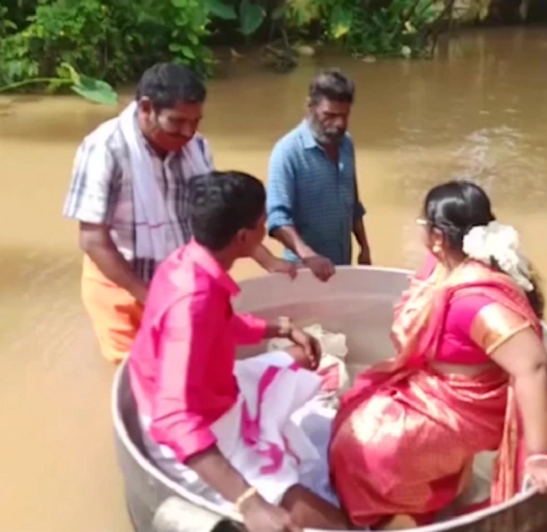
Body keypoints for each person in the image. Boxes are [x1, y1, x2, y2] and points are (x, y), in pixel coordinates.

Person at [328, 181, 547, 530]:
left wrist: (541, 456)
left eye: (423, 225)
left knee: (363, 447)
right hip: (433, 385)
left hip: (465, 404)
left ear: (437, 236)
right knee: (354, 406)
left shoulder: (475, 300)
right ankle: (427, 493)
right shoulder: (442, 266)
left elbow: (535, 366)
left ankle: (400, 515)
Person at [128, 170, 350, 532]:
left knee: (303, 360)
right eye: (264, 223)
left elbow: (222, 325)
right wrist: (250, 502)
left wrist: (281, 328)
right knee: (329, 522)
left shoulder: (188, 261)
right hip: (193, 434)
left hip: (213, 393)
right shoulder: (193, 300)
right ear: (245, 237)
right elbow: (174, 417)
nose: (266, 230)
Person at [62, 62, 294, 363]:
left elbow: (219, 215)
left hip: (179, 285)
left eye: (195, 121)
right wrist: (148, 295)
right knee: (134, 377)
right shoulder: (105, 149)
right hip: (124, 287)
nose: (187, 133)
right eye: (177, 122)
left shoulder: (196, 148)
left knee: (187, 362)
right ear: (146, 108)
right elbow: (93, 239)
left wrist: (267, 259)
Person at [266, 69, 371, 282]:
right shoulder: (287, 153)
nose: (339, 124)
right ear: (310, 108)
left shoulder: (346, 144)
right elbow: (277, 220)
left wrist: (364, 247)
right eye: (330, 116)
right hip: (304, 271)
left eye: (344, 115)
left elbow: (352, 204)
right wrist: (309, 256)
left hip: (342, 266)